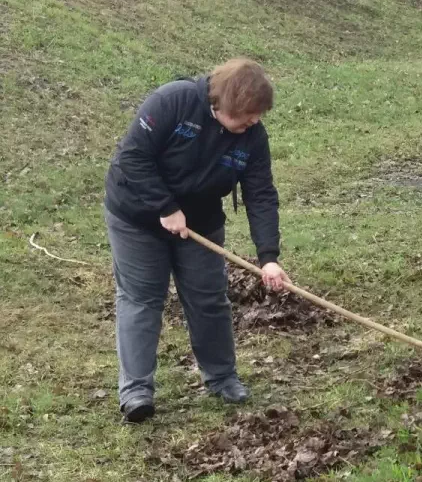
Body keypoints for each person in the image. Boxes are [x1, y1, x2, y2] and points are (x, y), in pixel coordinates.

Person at [104, 58, 288, 423]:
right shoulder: (173, 101)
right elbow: (133, 156)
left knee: (208, 298)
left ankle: (221, 377)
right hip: (137, 216)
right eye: (247, 116)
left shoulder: (253, 137)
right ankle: (136, 391)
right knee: (142, 298)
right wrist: (165, 206)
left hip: (200, 222)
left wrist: (268, 256)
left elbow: (261, 195)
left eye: (258, 116)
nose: (253, 122)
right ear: (224, 104)